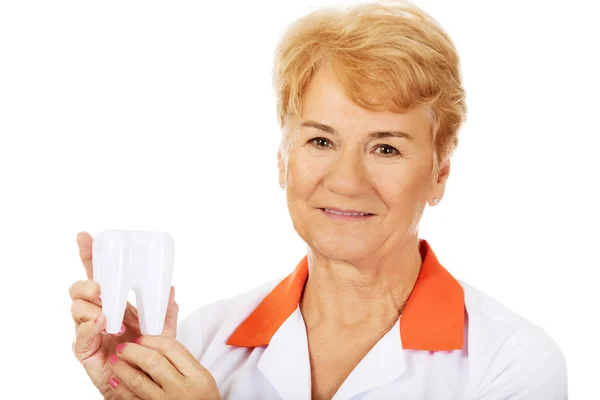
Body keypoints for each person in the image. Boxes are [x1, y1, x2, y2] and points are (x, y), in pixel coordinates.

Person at [69, 1, 567, 398]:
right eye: (321, 141)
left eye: (386, 147)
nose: (347, 181)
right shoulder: (204, 341)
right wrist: (130, 385)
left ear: (439, 174)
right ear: (283, 162)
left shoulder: (513, 362)